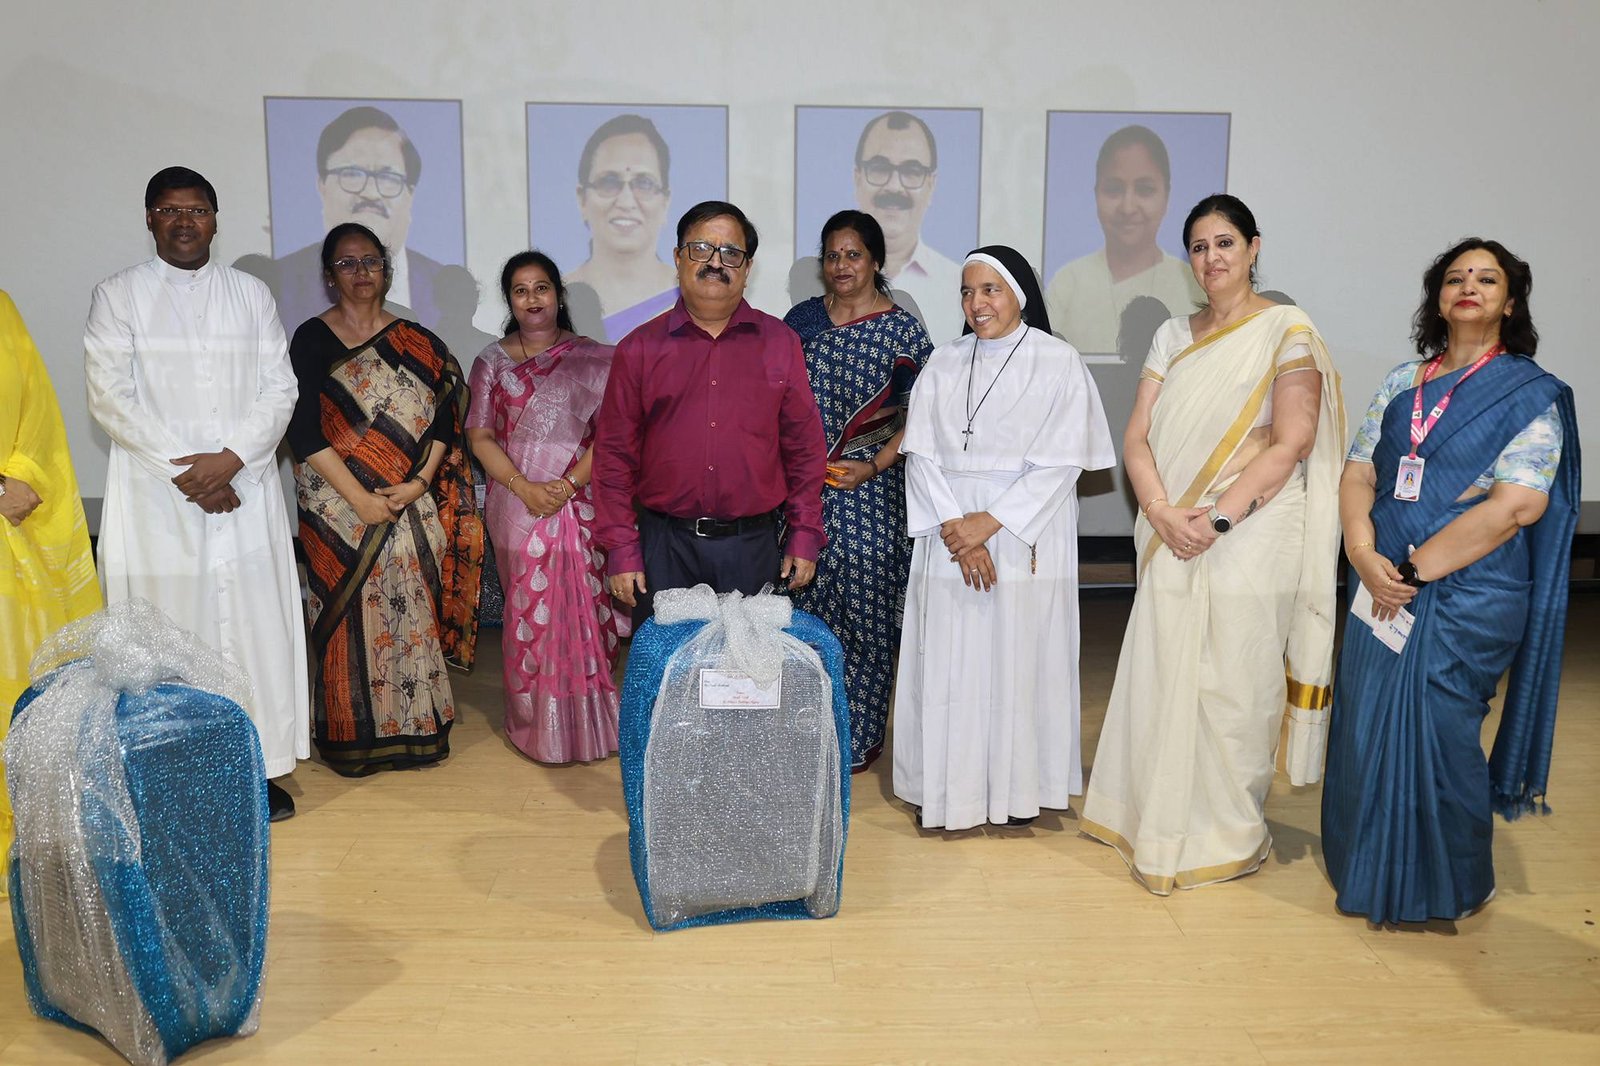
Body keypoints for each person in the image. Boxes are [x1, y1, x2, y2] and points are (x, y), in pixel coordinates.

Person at [1079, 194, 1345, 893]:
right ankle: (1153, 821)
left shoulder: (1287, 329)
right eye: (1199, 247)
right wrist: (1163, 512)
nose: (1211, 258)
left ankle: (1224, 830)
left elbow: (1293, 439)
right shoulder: (1173, 335)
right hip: (1173, 528)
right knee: (1166, 670)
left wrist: (1215, 521)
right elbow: (1137, 437)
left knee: (1235, 678)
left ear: (1254, 248)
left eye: (1225, 242)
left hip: (1252, 531)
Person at [1322, 239, 1578, 924]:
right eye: (1456, 278)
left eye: (1486, 279)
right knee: (1367, 724)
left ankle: (1455, 880)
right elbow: (1359, 471)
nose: (1469, 287)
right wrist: (1361, 552)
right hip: (1379, 579)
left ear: (1510, 302)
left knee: (1441, 732)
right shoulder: (1402, 382)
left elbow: (1515, 505)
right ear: (1438, 298)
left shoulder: (1528, 393)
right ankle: (1368, 868)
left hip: (1470, 591)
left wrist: (1409, 571)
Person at [85, 166, 310, 820]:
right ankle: (173, 780)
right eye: (169, 210)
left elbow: (280, 388)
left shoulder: (251, 295)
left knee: (253, 630)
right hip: (160, 500)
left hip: (245, 492)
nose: (184, 222)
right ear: (149, 218)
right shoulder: (117, 296)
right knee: (170, 629)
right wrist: (192, 475)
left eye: (197, 210)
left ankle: (255, 768)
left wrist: (233, 460)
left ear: (215, 219)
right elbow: (110, 397)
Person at [892, 245, 1114, 830]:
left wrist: (986, 524)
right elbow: (920, 455)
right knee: (951, 660)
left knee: (1019, 659)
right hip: (949, 534)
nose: (977, 303)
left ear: (1018, 294)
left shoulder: (1058, 360)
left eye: (990, 289)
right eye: (967, 292)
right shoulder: (944, 361)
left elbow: (1062, 462)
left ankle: (1017, 790)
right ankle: (948, 789)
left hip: (1021, 532)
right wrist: (957, 529)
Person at [285, 222, 482, 776]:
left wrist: (418, 485)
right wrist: (359, 500)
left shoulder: (418, 342)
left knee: (410, 609)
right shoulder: (310, 339)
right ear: (329, 275)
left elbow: (444, 421)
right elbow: (302, 430)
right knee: (346, 618)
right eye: (347, 263)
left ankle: (418, 732)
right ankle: (352, 739)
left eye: (370, 261)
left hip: (406, 500)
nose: (361, 272)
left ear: (386, 270)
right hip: (334, 506)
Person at [592, 200, 828, 625]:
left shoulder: (780, 343)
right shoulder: (639, 348)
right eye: (701, 249)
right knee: (668, 666)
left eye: (731, 253)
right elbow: (613, 456)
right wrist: (622, 548)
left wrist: (805, 531)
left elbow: (804, 448)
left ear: (747, 267)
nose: (716, 262)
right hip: (665, 549)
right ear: (678, 258)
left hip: (751, 550)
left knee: (746, 667)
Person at [783, 210, 932, 771]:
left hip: (872, 494)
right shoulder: (801, 321)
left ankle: (858, 735)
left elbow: (924, 416)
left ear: (875, 261)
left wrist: (873, 465)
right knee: (802, 612)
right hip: (801, 494)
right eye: (832, 255)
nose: (841, 265)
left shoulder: (902, 331)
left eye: (853, 255)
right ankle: (806, 731)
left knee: (867, 615)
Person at [467, 251, 627, 763]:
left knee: (585, 612)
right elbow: (479, 435)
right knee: (529, 616)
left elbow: (613, 434)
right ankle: (536, 724)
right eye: (521, 290)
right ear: (509, 300)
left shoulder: (596, 359)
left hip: (580, 503)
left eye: (541, 288)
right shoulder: (492, 362)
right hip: (517, 506)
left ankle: (588, 719)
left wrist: (566, 484)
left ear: (558, 294)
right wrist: (524, 487)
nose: (532, 298)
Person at [1, 290, 103, 896]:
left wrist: (18, 479)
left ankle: (29, 837)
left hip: (12, 546)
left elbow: (36, 421)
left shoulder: (4, 310)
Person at [256, 106, 451, 335]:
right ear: (322, 186)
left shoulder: (446, 286)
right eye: (351, 174)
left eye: (388, 177)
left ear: (411, 194)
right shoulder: (279, 283)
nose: (370, 193)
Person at [1045, 125, 1203, 354]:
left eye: (1145, 190)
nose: (1128, 207)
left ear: (1166, 195)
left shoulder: (1193, 285)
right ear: (1096, 194)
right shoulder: (1069, 283)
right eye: (1113, 189)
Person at [852, 111, 964, 346]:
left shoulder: (959, 287)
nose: (894, 187)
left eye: (912, 171)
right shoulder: (825, 281)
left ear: (931, 185)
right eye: (880, 168)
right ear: (858, 178)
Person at [566, 114, 678, 342]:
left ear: (665, 202)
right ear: (582, 199)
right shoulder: (555, 300)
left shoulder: (694, 301)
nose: (626, 202)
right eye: (609, 182)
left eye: (644, 183)